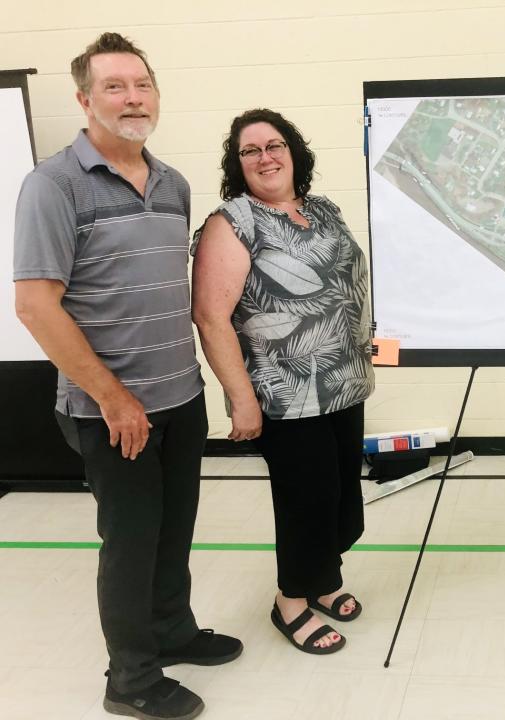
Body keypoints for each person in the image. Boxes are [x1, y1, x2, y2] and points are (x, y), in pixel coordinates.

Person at [13, 32, 242, 720]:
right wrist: (113, 398)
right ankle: (132, 678)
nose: (131, 97)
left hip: (181, 396)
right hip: (111, 411)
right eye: (114, 86)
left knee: (174, 531)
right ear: (85, 99)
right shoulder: (52, 185)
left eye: (141, 85)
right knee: (131, 542)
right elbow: (34, 305)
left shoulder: (172, 183)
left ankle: (172, 630)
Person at [191, 109, 375, 655]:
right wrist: (241, 400)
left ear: (295, 151)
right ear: (237, 163)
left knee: (341, 496)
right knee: (306, 500)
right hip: (285, 392)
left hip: (344, 381)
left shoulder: (323, 210)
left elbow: (350, 284)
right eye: (251, 151)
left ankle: (323, 578)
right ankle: (291, 601)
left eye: (275, 145)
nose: (266, 157)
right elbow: (210, 316)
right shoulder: (233, 222)